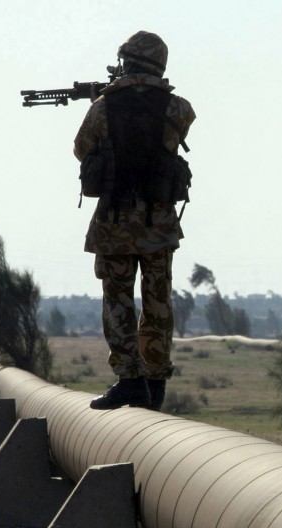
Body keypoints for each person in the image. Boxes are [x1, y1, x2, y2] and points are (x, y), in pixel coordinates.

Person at [73, 31, 196, 411]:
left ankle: (129, 381)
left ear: (126, 61)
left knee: (118, 301)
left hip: (114, 221)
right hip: (158, 221)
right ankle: (155, 383)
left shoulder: (102, 109)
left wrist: (106, 97)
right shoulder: (178, 108)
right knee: (158, 300)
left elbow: (82, 151)